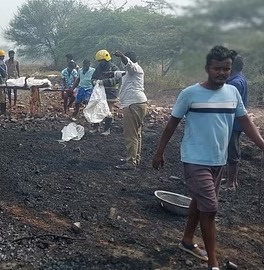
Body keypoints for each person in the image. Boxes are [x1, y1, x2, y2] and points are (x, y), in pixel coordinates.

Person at [152, 45, 264, 270]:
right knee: (210, 208)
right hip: (194, 158)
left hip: (218, 160)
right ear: (207, 69)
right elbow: (172, 122)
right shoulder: (190, 93)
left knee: (199, 202)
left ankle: (186, 240)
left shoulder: (232, 93)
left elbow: (244, 121)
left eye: (226, 69)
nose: (222, 73)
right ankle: (213, 262)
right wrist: (159, 151)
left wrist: (262, 145)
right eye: (217, 68)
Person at [113, 50, 148, 170]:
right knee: (136, 134)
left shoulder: (135, 68)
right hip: (137, 104)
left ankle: (131, 161)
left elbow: (128, 64)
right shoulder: (130, 72)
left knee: (130, 134)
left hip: (133, 104)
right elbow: (120, 73)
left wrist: (122, 56)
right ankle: (134, 157)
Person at [224, 54, 248, 191]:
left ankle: (231, 183)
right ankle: (229, 180)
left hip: (232, 123)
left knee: (232, 152)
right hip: (235, 123)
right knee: (230, 150)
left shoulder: (235, 83)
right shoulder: (239, 78)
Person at [91, 49, 120, 135]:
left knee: (108, 111)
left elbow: (117, 79)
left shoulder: (114, 68)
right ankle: (96, 127)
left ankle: (107, 129)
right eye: (99, 61)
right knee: (96, 109)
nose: (100, 63)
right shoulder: (98, 68)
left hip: (111, 92)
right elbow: (93, 77)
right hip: (99, 92)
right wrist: (94, 82)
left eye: (101, 61)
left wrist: (104, 82)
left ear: (106, 59)